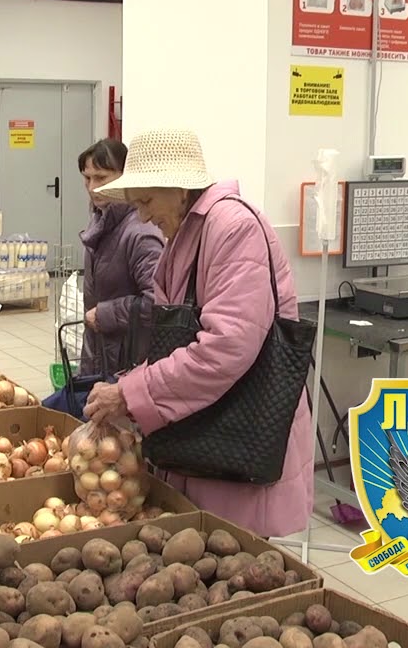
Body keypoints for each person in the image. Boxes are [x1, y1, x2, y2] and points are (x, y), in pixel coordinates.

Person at [84, 129, 313, 538]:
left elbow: (225, 348)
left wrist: (132, 393)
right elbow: (178, 336)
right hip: (205, 437)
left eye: (148, 201)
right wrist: (130, 384)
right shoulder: (185, 231)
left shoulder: (232, 228)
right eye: (136, 204)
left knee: (235, 562)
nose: (143, 216)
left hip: (237, 436)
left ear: (180, 187)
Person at [77, 139, 163, 376]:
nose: (92, 187)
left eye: (101, 178)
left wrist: (106, 314)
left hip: (127, 363)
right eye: (87, 178)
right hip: (100, 356)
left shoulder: (141, 233)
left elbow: (157, 302)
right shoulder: (101, 222)